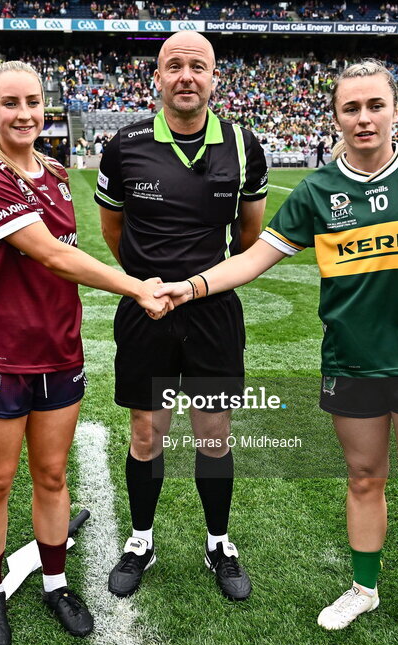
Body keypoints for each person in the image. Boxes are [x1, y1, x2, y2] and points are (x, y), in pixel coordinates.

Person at [155, 60, 398, 645]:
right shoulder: (317, 191)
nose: (364, 118)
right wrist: (189, 287)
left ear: (395, 110)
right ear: (335, 116)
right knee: (364, 479)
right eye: (351, 108)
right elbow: (255, 258)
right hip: (349, 362)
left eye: (374, 106)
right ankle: (365, 589)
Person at [0, 60, 170, 645]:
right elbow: (50, 255)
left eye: (33, 103)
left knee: (51, 476)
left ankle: (54, 582)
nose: (24, 115)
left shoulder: (52, 172)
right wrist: (136, 286)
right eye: (10, 104)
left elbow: (62, 263)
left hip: (59, 349)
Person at [94, 30, 268, 602]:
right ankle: (142, 539)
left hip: (213, 312)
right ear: (158, 78)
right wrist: (148, 284)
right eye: (175, 66)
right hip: (145, 310)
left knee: (213, 435)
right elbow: (112, 231)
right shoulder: (123, 146)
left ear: (215, 77)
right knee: (146, 433)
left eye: (199, 66)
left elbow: (249, 234)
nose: (186, 76)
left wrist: (196, 286)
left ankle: (219, 542)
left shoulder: (245, 146)